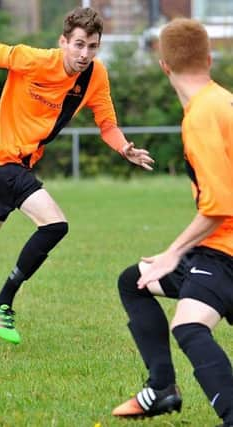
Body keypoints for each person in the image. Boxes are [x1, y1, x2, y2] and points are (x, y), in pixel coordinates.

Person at [0, 6, 154, 351]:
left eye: (92, 46)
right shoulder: (32, 59)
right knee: (54, 225)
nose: (84, 54)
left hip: (11, 162)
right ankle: (1, 303)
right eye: (78, 44)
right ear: (63, 41)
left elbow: (107, 124)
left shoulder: (95, 76)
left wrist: (124, 149)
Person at [111, 18, 233, 425]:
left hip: (225, 250)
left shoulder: (201, 116)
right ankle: (162, 388)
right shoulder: (224, 101)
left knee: (189, 325)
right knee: (134, 280)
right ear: (210, 59)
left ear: (164, 65)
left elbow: (219, 205)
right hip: (219, 249)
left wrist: (172, 252)